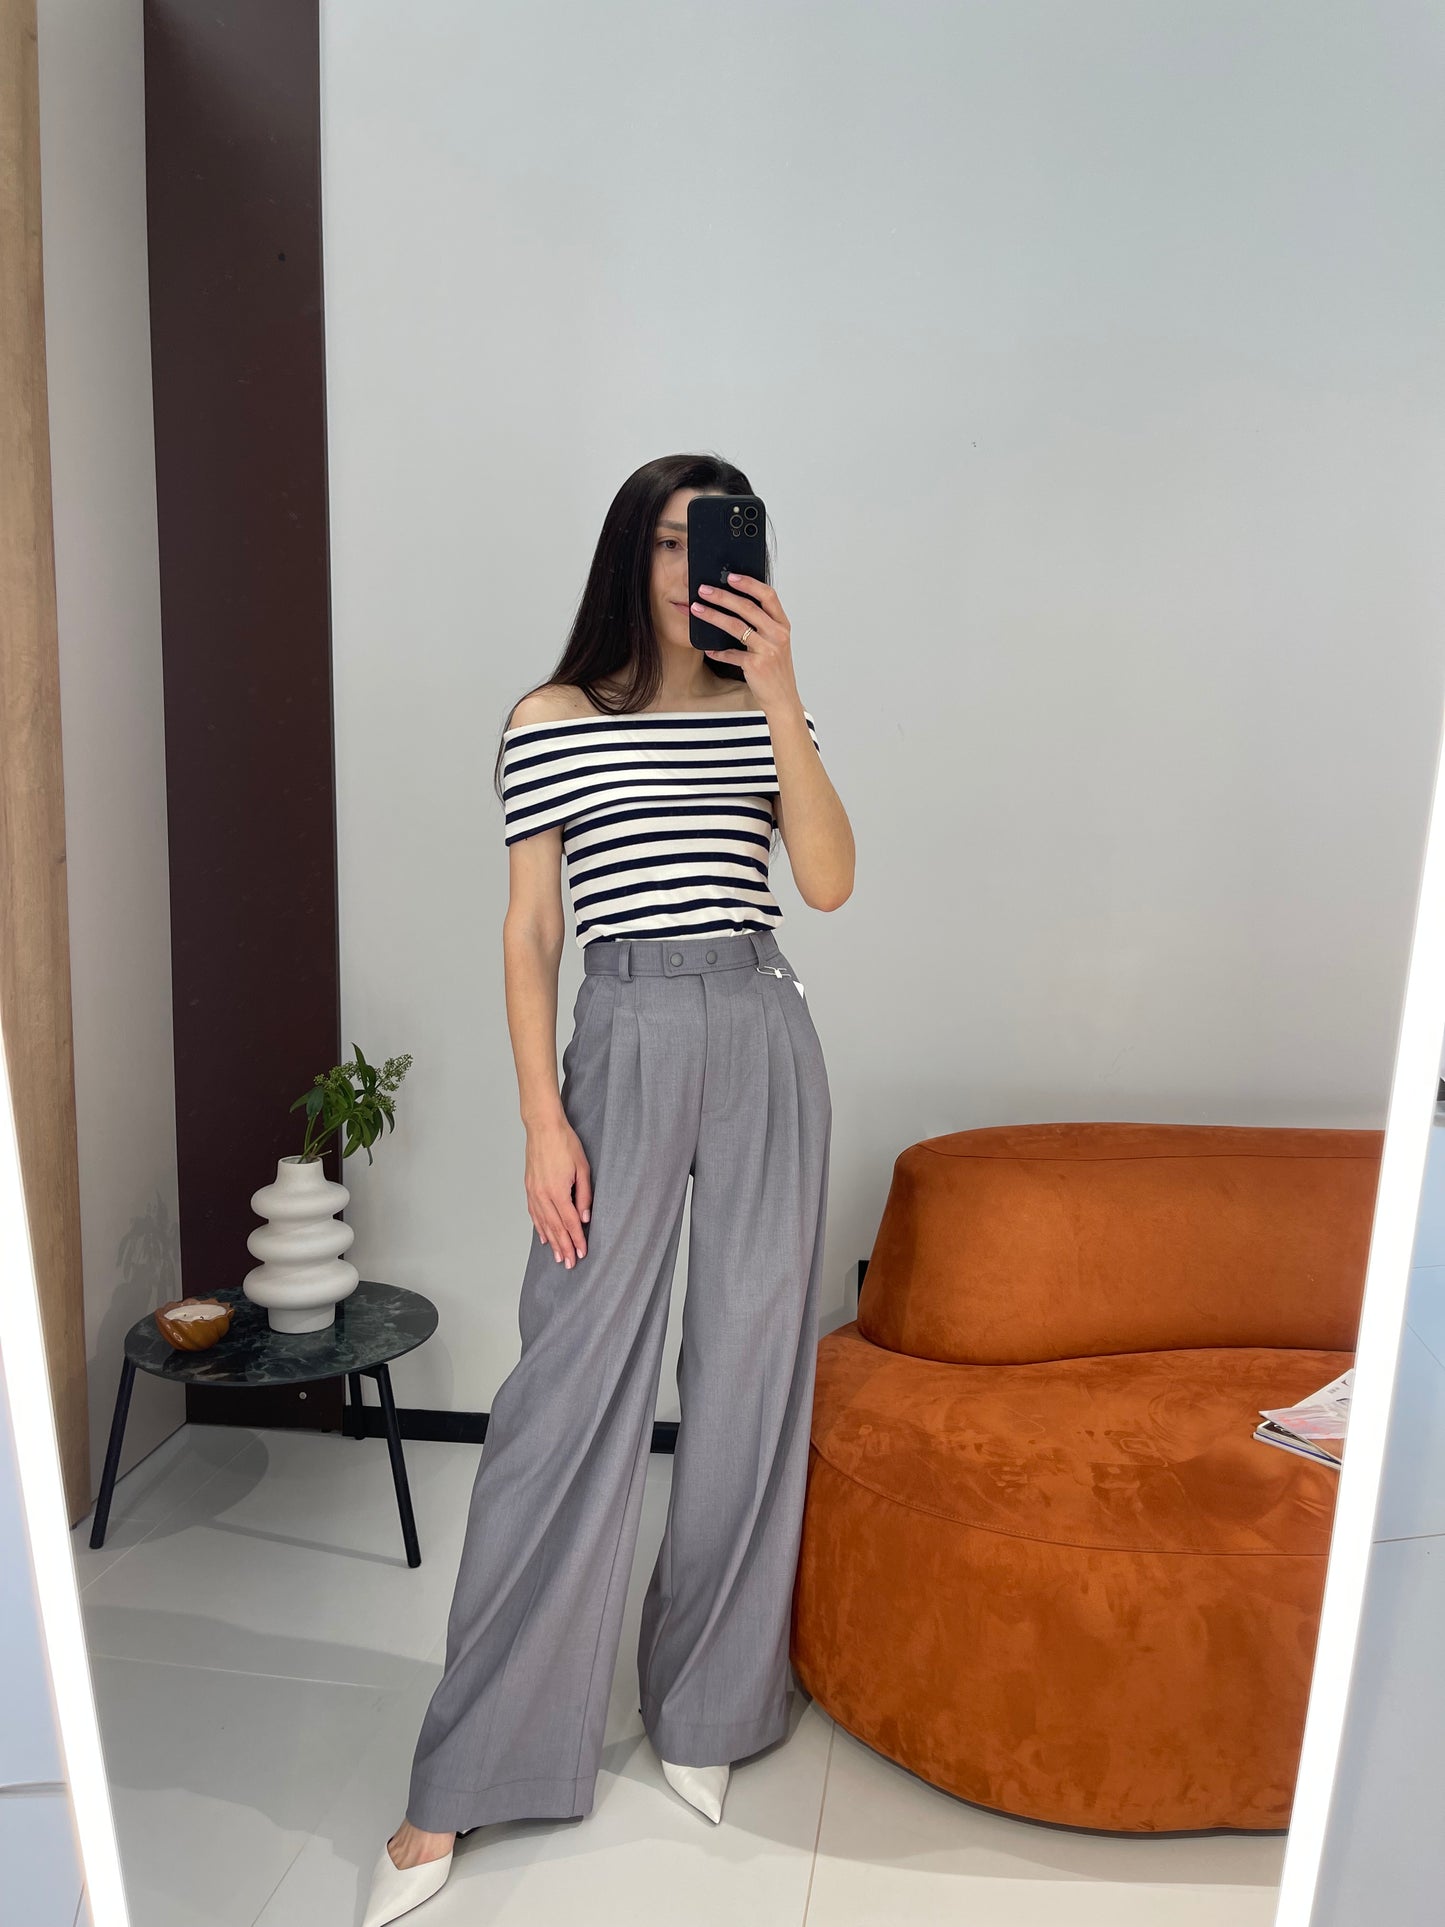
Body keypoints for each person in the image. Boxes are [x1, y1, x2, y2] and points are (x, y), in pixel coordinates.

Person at [363, 452, 853, 1926]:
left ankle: (707, 1707)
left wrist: (783, 691)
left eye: (716, 540)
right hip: (623, 1033)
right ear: (630, 557)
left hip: (762, 1027)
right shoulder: (550, 719)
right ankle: (466, 1774)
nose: (692, 566)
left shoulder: (767, 713)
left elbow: (828, 881)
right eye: (669, 541)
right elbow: (530, 932)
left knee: (751, 1370)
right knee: (565, 1394)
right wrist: (541, 1118)